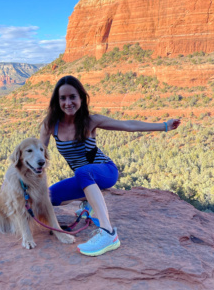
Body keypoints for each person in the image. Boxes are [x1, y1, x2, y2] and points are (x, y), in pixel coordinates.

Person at [40, 75, 181, 257]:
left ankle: (108, 233)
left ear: (81, 98)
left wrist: (164, 126)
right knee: (48, 197)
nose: (68, 102)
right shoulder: (51, 125)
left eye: (72, 97)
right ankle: (88, 201)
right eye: (63, 98)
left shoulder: (91, 121)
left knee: (82, 172)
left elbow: (128, 125)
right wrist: (19, 181)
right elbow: (38, 155)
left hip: (105, 170)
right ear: (56, 101)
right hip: (84, 177)